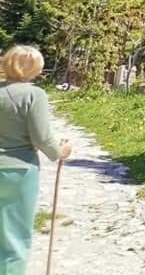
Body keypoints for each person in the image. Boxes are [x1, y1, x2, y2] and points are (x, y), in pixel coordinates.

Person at [0, 45, 71, 275]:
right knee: (14, 237)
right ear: (34, 68)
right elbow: (42, 138)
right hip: (18, 171)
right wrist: (60, 151)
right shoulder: (33, 95)